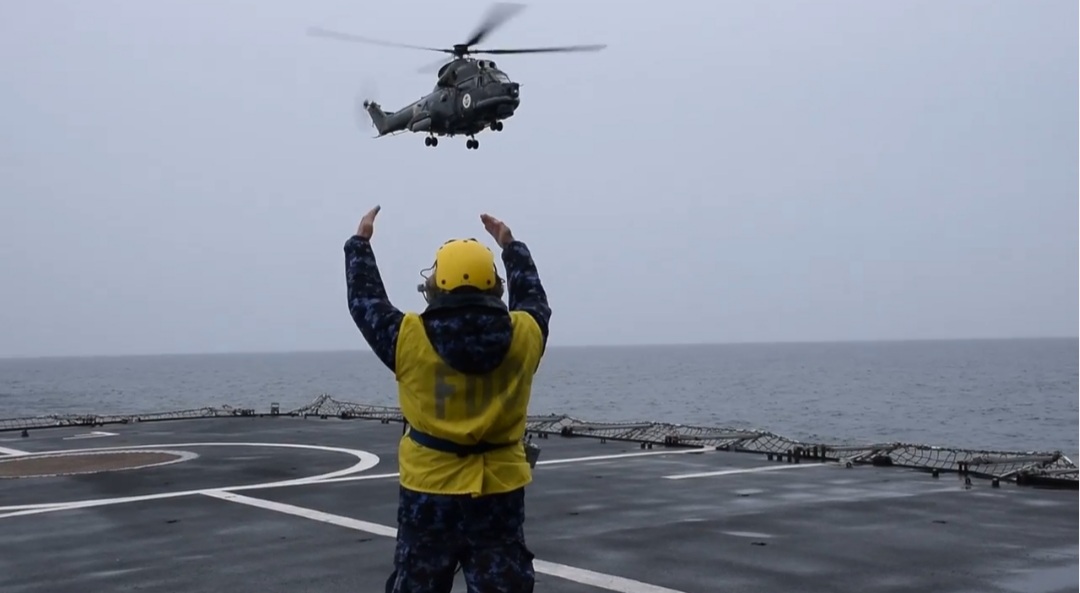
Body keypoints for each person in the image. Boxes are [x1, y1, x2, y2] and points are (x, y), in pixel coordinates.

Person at [344, 205, 551, 593]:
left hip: (429, 492)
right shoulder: (525, 334)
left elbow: (364, 302)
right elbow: (534, 299)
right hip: (498, 493)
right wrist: (511, 246)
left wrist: (360, 244)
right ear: (495, 287)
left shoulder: (407, 337)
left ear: (436, 286)